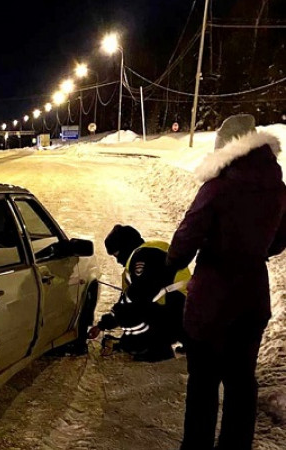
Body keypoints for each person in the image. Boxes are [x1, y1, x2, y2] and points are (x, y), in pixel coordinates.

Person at [167, 114, 286, 450]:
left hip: (212, 301)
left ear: (226, 149)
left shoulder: (218, 189)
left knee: (203, 383)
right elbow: (277, 242)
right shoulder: (278, 189)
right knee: (241, 382)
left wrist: (173, 264)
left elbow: (187, 236)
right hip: (252, 298)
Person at [92, 225, 190, 362]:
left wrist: (109, 325)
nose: (118, 261)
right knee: (143, 304)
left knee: (131, 313)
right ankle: (187, 341)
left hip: (177, 310)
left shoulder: (142, 257)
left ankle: (159, 349)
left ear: (126, 247)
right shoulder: (152, 249)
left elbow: (137, 295)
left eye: (117, 255)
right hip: (186, 309)